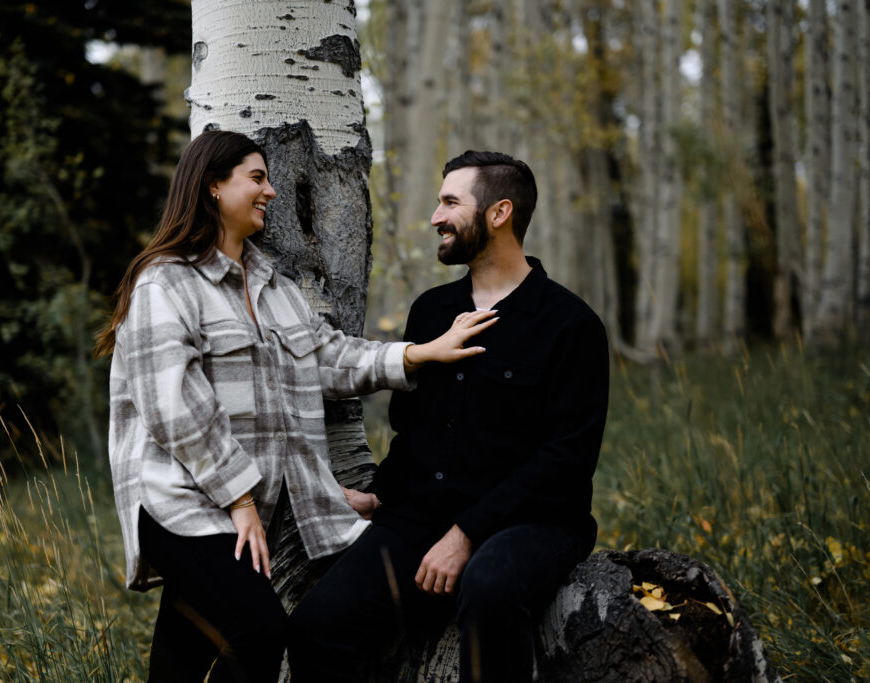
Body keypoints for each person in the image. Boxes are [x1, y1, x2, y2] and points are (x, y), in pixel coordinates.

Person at [94, 130, 497, 683]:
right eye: (256, 178)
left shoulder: (274, 288)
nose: (271, 191)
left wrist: (420, 353)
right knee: (259, 631)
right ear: (213, 185)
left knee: (187, 644)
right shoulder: (165, 283)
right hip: (182, 498)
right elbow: (172, 407)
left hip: (238, 507)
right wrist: (238, 498)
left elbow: (329, 358)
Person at [288, 151, 610, 682]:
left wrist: (464, 534)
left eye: (450, 202)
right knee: (316, 628)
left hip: (533, 523)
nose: (436, 216)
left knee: (490, 589)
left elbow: (566, 461)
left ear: (499, 213)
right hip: (422, 519)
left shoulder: (570, 324)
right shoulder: (433, 311)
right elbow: (413, 429)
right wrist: (382, 495)